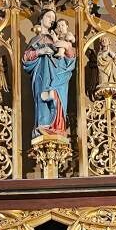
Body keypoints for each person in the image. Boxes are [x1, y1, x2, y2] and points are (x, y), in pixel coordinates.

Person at [23, 8, 76, 137]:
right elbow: (25, 58)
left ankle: (58, 127)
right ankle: (44, 126)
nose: (51, 20)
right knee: (43, 98)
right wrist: (39, 52)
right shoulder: (36, 39)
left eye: (53, 18)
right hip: (42, 76)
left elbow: (70, 59)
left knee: (57, 98)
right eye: (48, 16)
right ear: (41, 19)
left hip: (59, 74)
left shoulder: (57, 38)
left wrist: (68, 47)